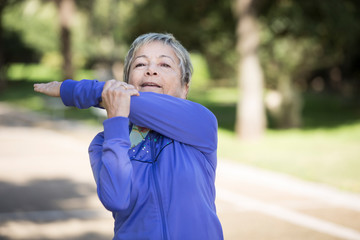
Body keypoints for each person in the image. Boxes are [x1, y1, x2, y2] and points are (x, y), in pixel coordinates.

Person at [34, 33, 223, 240]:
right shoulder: (102, 142)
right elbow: (116, 199)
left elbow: (139, 103)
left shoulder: (200, 122)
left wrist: (73, 90)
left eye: (165, 65)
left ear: (185, 89)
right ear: (126, 83)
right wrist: (116, 121)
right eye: (140, 64)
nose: (151, 70)